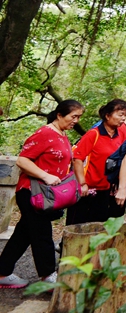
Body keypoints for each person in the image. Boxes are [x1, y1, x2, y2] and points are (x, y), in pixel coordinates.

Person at [0, 100, 83, 288]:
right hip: (32, 192)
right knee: (42, 234)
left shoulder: (62, 135)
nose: (76, 121)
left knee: (24, 234)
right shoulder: (45, 133)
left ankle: (2, 272)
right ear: (60, 115)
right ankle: (48, 276)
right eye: (73, 116)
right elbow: (22, 160)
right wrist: (45, 176)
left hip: (46, 194)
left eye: (79, 117)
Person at [68, 99, 126, 224]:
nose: (123, 118)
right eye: (120, 114)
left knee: (96, 226)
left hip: (105, 190)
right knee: (76, 225)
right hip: (86, 190)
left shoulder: (120, 136)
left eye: (125, 115)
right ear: (107, 115)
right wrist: (82, 183)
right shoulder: (93, 134)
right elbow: (77, 159)